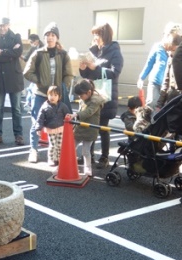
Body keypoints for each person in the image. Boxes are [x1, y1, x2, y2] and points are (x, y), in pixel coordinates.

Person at [23, 22, 74, 163]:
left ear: (57, 38)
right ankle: (33, 150)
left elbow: (69, 74)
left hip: (57, 96)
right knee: (37, 122)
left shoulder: (63, 54)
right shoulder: (38, 53)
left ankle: (56, 153)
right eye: (47, 35)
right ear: (44, 38)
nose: (50, 38)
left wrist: (64, 85)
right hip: (40, 94)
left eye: (53, 35)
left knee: (59, 123)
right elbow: (27, 72)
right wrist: (39, 81)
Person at [79, 23, 124, 169]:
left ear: (104, 35)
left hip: (105, 94)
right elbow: (88, 75)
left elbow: (115, 72)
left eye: (97, 34)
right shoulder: (93, 51)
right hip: (91, 93)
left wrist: (96, 68)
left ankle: (104, 157)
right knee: (89, 126)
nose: (95, 37)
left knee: (103, 127)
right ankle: (88, 156)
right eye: (94, 34)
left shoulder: (115, 51)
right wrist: (83, 69)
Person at [0, 17, 25, 146]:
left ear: (9, 25)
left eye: (4, 25)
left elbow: (18, 52)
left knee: (16, 109)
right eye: (0, 25)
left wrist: (3, 52)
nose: (2, 28)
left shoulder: (16, 36)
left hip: (14, 78)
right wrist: (10, 54)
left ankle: (19, 135)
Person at [137, 23, 181, 109]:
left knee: (165, 109)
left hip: (168, 86)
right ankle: (150, 122)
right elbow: (149, 63)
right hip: (155, 82)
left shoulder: (177, 50)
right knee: (152, 104)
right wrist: (141, 78)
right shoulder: (157, 47)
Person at [70, 79, 105, 177]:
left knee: (86, 151)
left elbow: (88, 112)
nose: (79, 97)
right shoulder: (83, 99)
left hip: (90, 130)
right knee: (71, 147)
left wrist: (76, 115)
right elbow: (81, 110)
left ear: (89, 92)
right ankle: (70, 165)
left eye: (81, 95)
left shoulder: (95, 101)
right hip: (80, 128)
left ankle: (88, 168)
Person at [34, 85, 71, 166]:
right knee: (52, 145)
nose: (52, 97)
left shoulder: (62, 106)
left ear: (59, 97)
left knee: (60, 145)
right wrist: (38, 129)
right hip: (50, 129)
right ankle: (51, 158)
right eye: (50, 95)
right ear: (47, 95)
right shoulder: (45, 106)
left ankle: (59, 158)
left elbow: (68, 115)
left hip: (61, 128)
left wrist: (71, 125)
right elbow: (40, 118)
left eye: (55, 95)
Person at [155, 34, 182, 111]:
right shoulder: (170, 59)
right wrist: (159, 103)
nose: (171, 53)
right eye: (169, 50)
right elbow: (166, 82)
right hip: (172, 97)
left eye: (173, 50)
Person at [21, 34, 44, 112]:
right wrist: (18, 54)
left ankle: (28, 104)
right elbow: (25, 58)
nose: (31, 43)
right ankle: (28, 104)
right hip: (34, 72)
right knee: (31, 88)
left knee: (32, 89)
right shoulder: (33, 48)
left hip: (41, 73)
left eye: (31, 42)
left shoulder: (43, 48)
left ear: (36, 41)